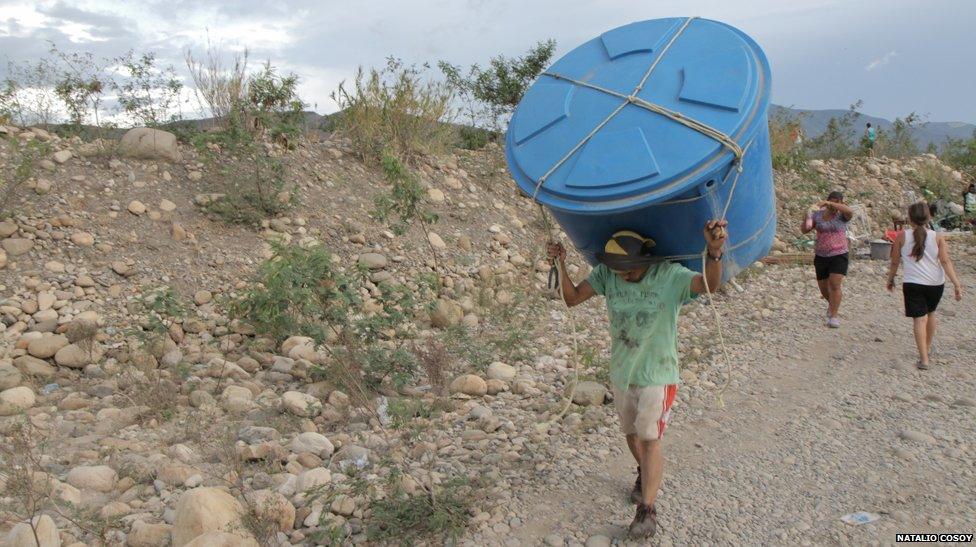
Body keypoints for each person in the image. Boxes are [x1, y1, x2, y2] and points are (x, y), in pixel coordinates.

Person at [546, 220, 727, 539]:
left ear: (641, 261)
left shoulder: (670, 277)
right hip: (622, 372)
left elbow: (709, 286)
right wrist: (559, 262)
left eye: (626, 269)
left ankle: (647, 510)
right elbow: (572, 298)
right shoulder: (607, 275)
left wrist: (714, 252)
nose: (621, 275)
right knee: (631, 435)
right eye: (616, 269)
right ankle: (644, 473)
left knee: (649, 438)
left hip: (658, 373)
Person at [886, 202, 963, 369]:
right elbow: (945, 261)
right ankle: (926, 348)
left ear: (909, 218)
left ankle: (924, 359)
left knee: (919, 319)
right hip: (935, 284)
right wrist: (956, 284)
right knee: (931, 313)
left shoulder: (902, 236)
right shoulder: (937, 237)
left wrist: (890, 279)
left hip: (913, 283)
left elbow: (894, 262)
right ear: (929, 217)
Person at [800, 191, 854, 327]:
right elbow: (805, 229)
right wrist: (806, 216)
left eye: (838, 202)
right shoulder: (817, 215)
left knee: (835, 284)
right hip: (821, 255)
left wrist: (830, 203)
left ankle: (834, 316)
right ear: (827, 200)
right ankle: (832, 305)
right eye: (833, 200)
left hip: (839, 253)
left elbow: (850, 211)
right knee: (823, 287)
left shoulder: (842, 216)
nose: (835, 204)